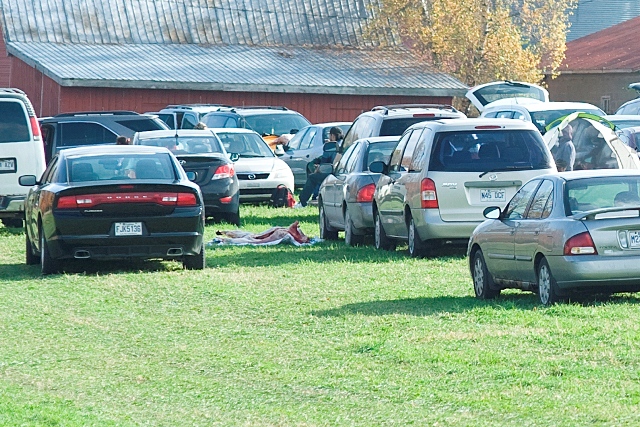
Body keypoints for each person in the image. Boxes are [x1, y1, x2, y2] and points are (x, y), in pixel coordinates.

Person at [294, 126, 343, 208]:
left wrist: (318, 168)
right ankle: (316, 196)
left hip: (332, 173)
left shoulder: (331, 146)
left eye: (330, 135)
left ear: (333, 136)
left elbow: (324, 161)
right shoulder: (345, 144)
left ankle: (302, 202)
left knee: (313, 177)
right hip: (342, 172)